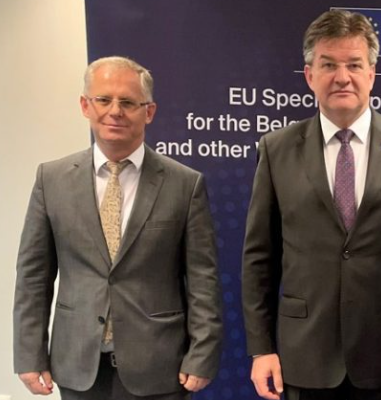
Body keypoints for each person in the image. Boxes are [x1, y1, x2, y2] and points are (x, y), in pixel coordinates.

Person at [241, 9, 381, 400]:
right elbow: (259, 258)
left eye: (354, 64)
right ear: (309, 76)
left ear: (371, 74)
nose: (342, 77)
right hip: (303, 355)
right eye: (329, 65)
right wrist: (261, 348)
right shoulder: (276, 149)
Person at [13, 56, 223, 399]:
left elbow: (203, 280)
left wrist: (202, 354)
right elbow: (33, 277)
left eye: (128, 102)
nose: (115, 111)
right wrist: (28, 355)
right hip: (77, 366)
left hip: (159, 367)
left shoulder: (185, 184)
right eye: (103, 99)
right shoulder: (51, 180)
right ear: (85, 105)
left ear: (149, 112)